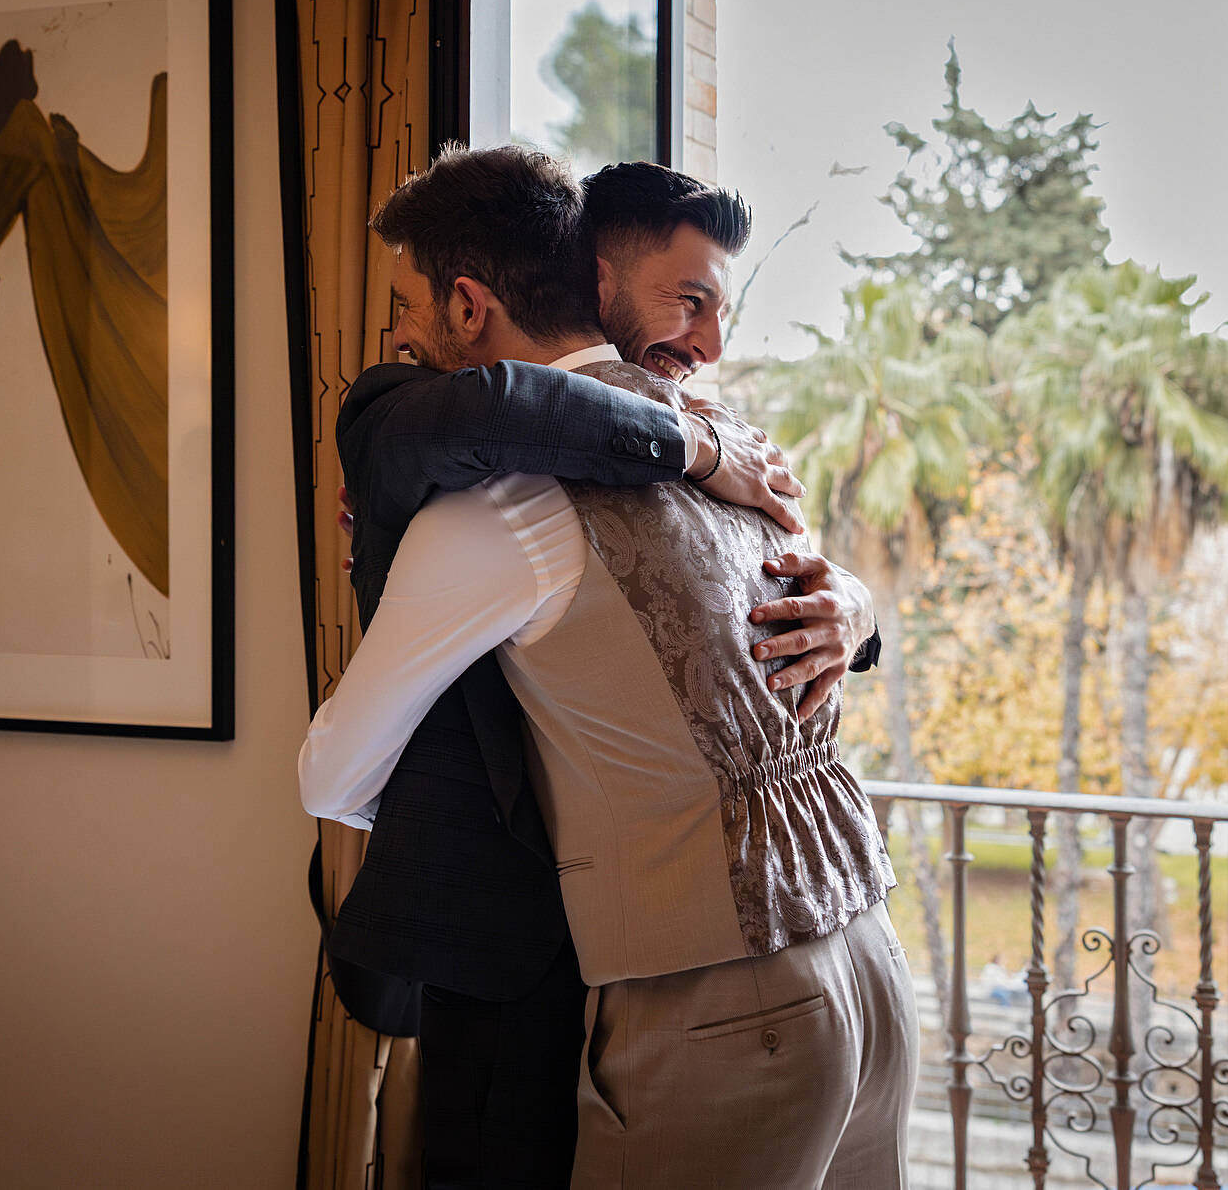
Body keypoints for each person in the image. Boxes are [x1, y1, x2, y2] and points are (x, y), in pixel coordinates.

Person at [302, 146, 912, 1187]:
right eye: (688, 301)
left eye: (405, 301)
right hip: (864, 958)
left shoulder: (500, 507)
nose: (393, 332)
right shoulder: (733, 448)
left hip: (720, 1001)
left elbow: (331, 771)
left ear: (465, 302)